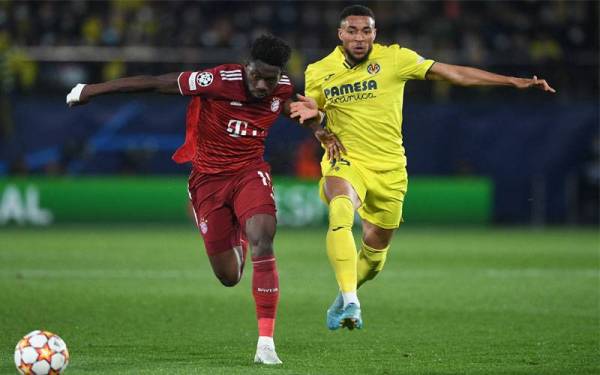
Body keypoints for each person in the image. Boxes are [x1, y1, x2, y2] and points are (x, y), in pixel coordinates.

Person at [66, 35, 342, 364]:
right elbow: (155, 84)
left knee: (263, 238)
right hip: (208, 181)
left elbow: (291, 108)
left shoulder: (282, 86)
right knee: (229, 276)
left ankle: (266, 344)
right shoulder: (217, 80)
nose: (262, 84)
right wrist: (90, 90)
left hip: (250, 172)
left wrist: (319, 124)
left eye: (270, 79)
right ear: (246, 67)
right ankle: (236, 232)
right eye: (256, 75)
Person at [290, 5, 555, 331]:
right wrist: (316, 125)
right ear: (340, 34)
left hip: (389, 168)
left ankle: (346, 294)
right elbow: (312, 111)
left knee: (374, 259)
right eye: (352, 31)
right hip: (345, 159)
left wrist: (510, 81)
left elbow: (452, 73)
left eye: (366, 31)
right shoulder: (320, 70)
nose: (359, 38)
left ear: (375, 33)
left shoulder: (395, 59)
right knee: (340, 211)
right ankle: (352, 302)